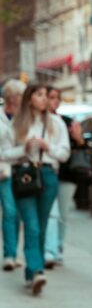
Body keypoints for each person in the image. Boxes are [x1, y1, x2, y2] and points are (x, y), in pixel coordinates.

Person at [0, 83, 70, 295]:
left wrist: (48, 147)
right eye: (39, 95)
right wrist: (25, 148)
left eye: (46, 95)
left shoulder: (56, 123)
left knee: (41, 225)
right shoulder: (18, 124)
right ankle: (38, 270)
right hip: (25, 175)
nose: (44, 99)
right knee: (31, 226)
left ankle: (31, 272)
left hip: (48, 175)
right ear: (29, 98)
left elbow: (64, 154)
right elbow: (4, 154)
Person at [44, 88, 92, 268]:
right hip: (46, 172)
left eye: (57, 98)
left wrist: (78, 138)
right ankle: (48, 248)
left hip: (67, 173)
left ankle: (58, 246)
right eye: (51, 97)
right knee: (49, 213)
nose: (55, 101)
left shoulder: (67, 122)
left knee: (62, 214)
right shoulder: (38, 121)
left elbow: (82, 148)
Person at [0, 79, 26, 271]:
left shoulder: (24, 119)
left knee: (16, 213)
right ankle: (9, 254)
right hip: (3, 171)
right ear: (12, 97)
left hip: (19, 171)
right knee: (9, 211)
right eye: (21, 96)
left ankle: (13, 252)